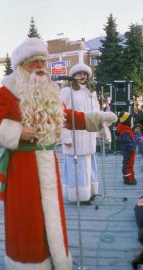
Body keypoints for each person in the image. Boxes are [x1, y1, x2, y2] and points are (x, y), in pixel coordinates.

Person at [0, 37, 116, 269]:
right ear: (21, 66)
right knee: (29, 217)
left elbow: (66, 116)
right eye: (33, 62)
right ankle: (29, 262)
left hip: (48, 162)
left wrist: (95, 119)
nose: (40, 66)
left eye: (42, 61)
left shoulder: (49, 92)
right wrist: (17, 131)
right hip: (23, 166)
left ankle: (54, 259)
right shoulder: (7, 93)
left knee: (51, 215)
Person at [60, 63, 101, 204]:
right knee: (76, 167)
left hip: (88, 135)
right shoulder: (66, 91)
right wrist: (65, 135)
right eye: (79, 74)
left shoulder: (91, 92)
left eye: (84, 74)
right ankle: (79, 195)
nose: (82, 76)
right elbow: (61, 114)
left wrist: (99, 130)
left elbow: (96, 113)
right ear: (73, 76)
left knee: (89, 165)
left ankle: (89, 191)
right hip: (74, 135)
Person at [117, 111, 137, 185]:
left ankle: (130, 177)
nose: (132, 122)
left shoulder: (126, 129)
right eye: (131, 120)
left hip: (130, 152)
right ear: (127, 121)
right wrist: (132, 149)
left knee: (129, 165)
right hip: (129, 152)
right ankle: (129, 179)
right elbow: (127, 142)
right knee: (128, 165)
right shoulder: (125, 131)